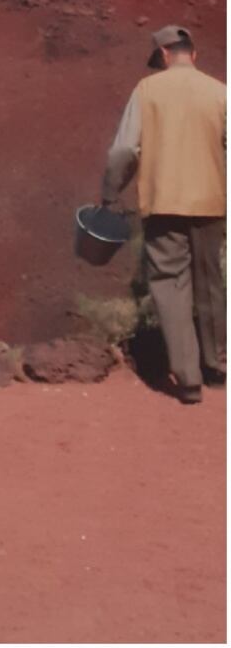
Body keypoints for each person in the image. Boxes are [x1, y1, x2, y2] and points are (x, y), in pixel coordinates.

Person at [101, 25, 226, 404]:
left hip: (162, 203)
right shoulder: (220, 92)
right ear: (193, 54)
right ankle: (216, 366)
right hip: (211, 203)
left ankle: (187, 379)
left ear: (165, 56)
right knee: (210, 282)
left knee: (170, 285)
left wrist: (110, 193)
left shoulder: (147, 91)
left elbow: (124, 151)